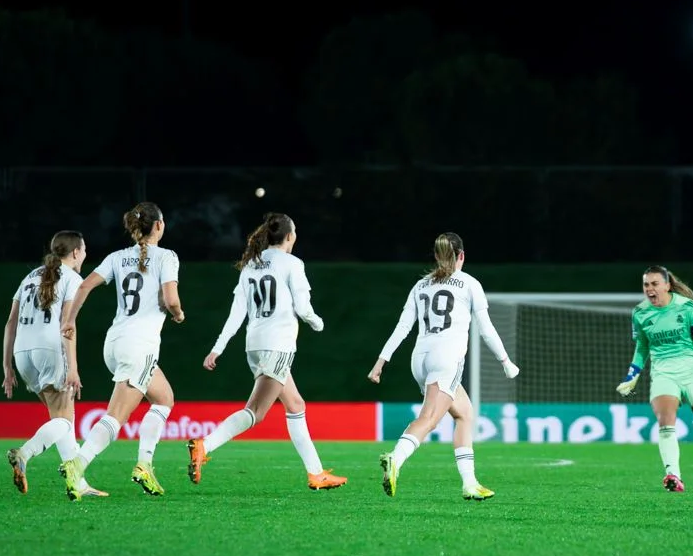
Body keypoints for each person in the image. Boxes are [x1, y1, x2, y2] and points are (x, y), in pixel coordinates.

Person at [188, 212, 346, 490]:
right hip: (278, 344)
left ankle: (316, 473)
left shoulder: (251, 265)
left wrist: (218, 348)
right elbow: (303, 306)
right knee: (256, 412)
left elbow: (236, 313)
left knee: (296, 405)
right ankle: (204, 445)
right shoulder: (292, 263)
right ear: (289, 236)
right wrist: (317, 322)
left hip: (255, 345)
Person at [367, 231, 519, 501]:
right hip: (446, 359)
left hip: (420, 359)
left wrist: (381, 361)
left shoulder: (421, 285)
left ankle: (470, 483)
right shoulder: (469, 283)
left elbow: (403, 327)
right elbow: (486, 330)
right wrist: (505, 361)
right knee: (428, 420)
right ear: (461, 256)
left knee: (464, 414)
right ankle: (395, 459)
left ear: (437, 256)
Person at [59, 201, 184, 498]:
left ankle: (145, 464)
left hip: (114, 343)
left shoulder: (117, 257)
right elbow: (171, 298)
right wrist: (178, 314)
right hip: (139, 346)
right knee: (116, 416)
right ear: (159, 226)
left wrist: (69, 319)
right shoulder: (167, 257)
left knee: (164, 398)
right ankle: (78, 462)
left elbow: (85, 285)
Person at [615, 265, 693, 493]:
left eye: (655, 284)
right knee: (665, 421)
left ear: (667, 285)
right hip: (664, 373)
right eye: (646, 285)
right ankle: (673, 475)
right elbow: (642, 347)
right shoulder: (640, 313)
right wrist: (632, 375)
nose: (649, 289)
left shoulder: (687, 308)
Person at [1, 230, 107, 500]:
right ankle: (25, 454)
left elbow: (10, 322)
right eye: (83, 250)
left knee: (62, 419)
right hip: (50, 349)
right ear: (74, 252)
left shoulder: (29, 276)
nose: (85, 254)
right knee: (63, 419)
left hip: (22, 352)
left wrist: (8, 367)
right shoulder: (72, 278)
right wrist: (72, 367)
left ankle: (78, 483)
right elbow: (67, 326)